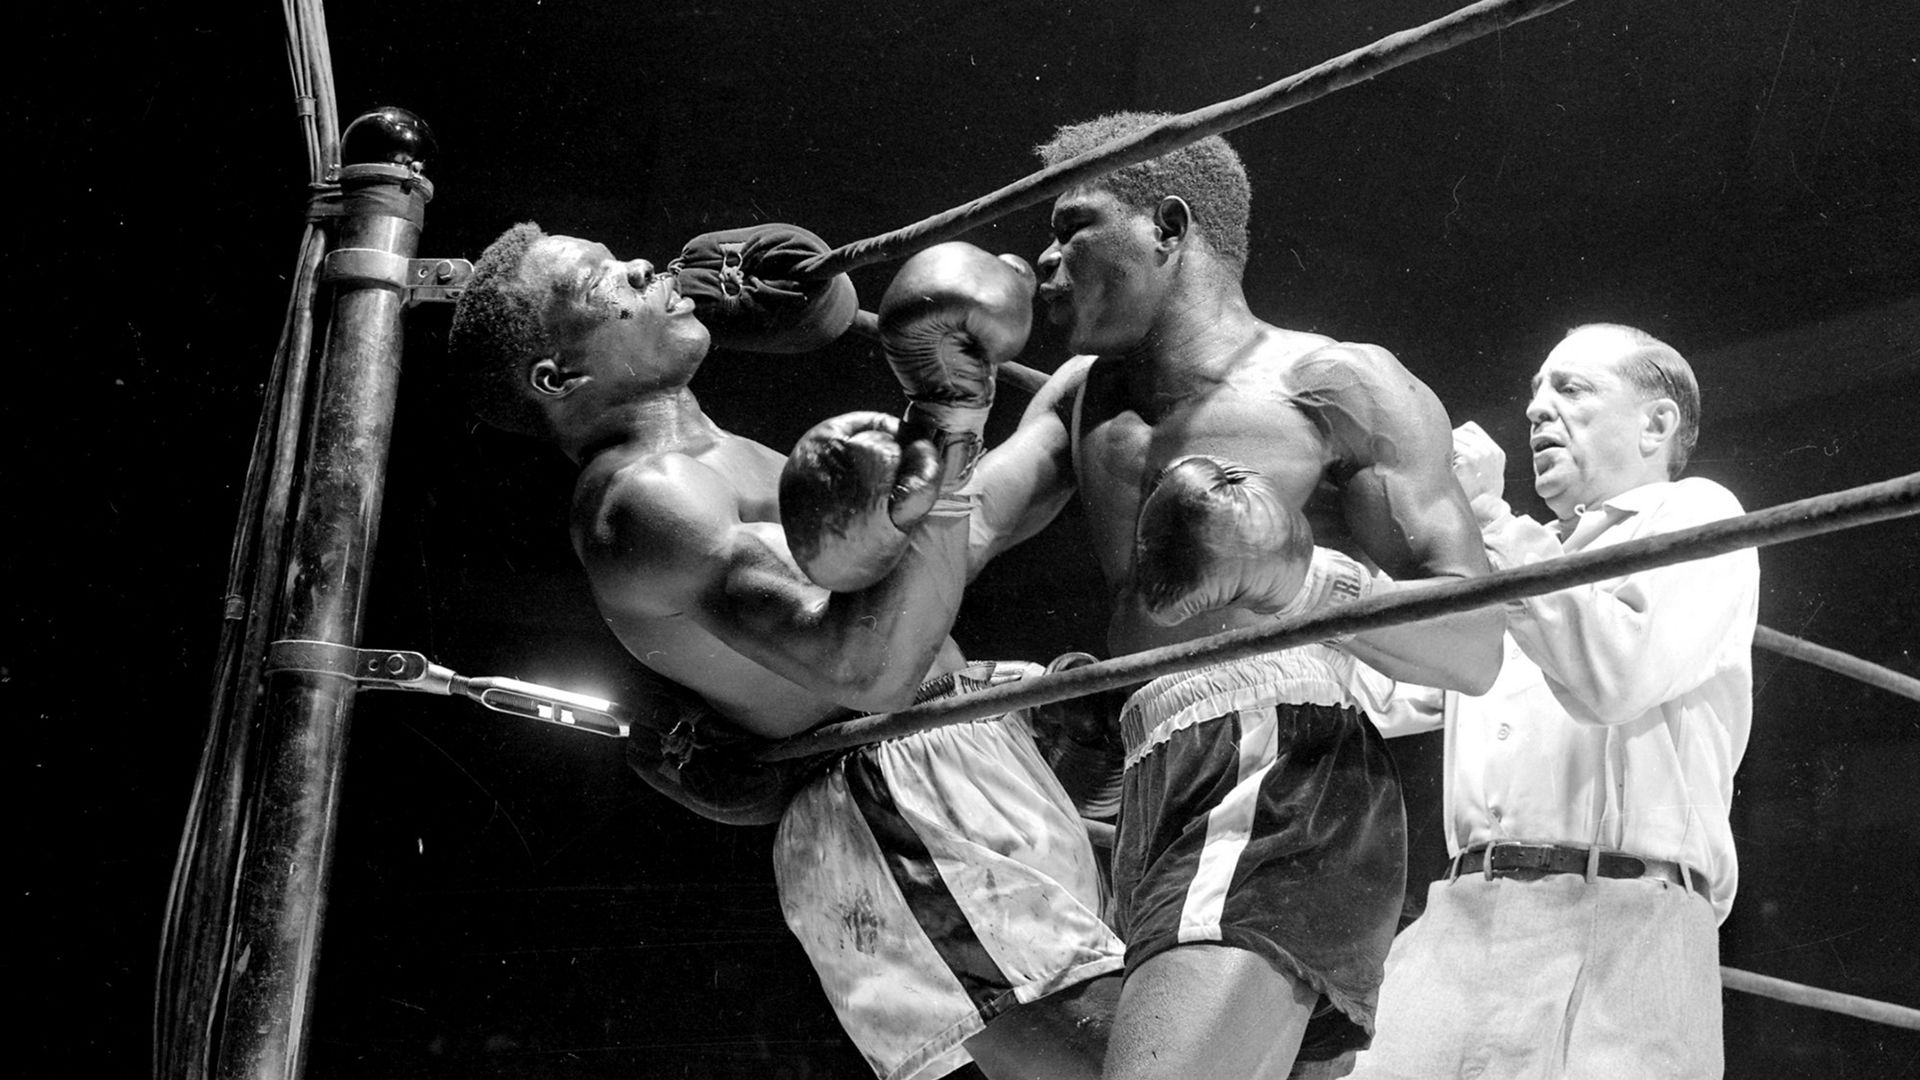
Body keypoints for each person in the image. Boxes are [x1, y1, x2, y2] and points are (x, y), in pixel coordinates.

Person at [445, 223, 1124, 1080]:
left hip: (960, 745)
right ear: (558, 377)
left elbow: (956, 539)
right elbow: (869, 666)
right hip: (895, 795)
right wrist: (947, 407)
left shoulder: (715, 457)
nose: (644, 265)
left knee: (1203, 1024)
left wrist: (1065, 404)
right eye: (603, 280)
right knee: (1146, 1060)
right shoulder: (647, 499)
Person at [948, 112, 1506, 1079]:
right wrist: (945, 407)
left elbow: (1477, 646)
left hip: (1279, 761)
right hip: (1146, 769)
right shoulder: (1079, 394)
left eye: (1072, 227)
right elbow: (962, 536)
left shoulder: (1336, 385)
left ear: (1168, 226)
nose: (1043, 261)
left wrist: (1299, 578)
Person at [1345, 323, 1759, 1079]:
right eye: (1535, 392)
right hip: (1460, 916)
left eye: (1571, 388)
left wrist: (1489, 522)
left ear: (1656, 424)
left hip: (1627, 919)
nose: (1538, 409)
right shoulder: (1515, 552)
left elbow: (1617, 675)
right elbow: (1383, 692)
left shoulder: (1699, 513)